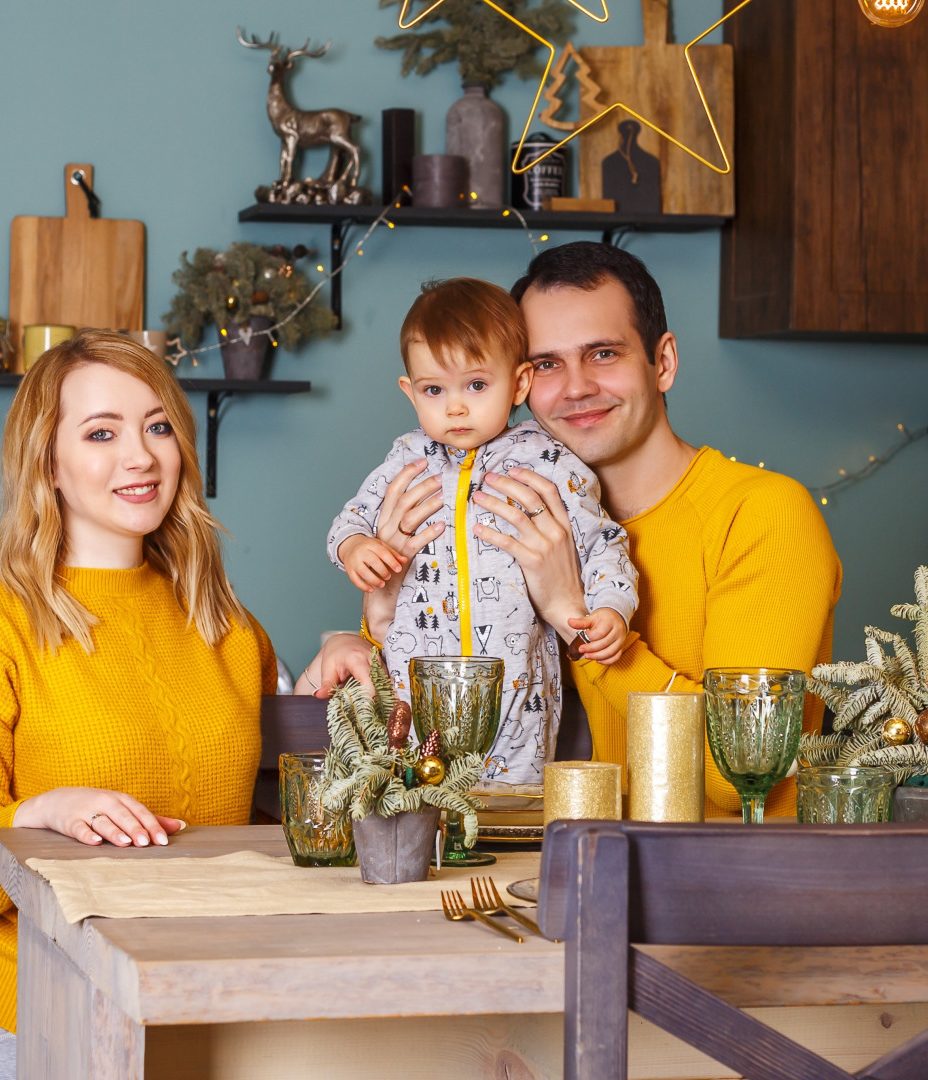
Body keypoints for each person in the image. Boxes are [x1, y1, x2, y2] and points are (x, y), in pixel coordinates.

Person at [308, 243, 840, 816]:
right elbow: (451, 644)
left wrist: (574, 616)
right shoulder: (506, 503)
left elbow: (738, 780)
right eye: (546, 364)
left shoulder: (764, 513)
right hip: (542, 860)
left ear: (662, 362)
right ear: (520, 382)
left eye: (604, 353)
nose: (576, 387)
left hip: (714, 881)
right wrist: (364, 629)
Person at [0, 331, 275, 1078]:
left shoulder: (222, 622)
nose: (140, 456)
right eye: (102, 433)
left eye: (157, 426)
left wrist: (369, 640)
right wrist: (33, 817)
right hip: (14, 1023)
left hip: (188, 1010)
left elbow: (288, 811)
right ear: (48, 462)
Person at [324, 277, 638, 784]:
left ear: (518, 384)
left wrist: (610, 609)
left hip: (518, 688)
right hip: (411, 683)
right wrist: (356, 546)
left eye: (476, 385)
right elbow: (350, 519)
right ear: (409, 392)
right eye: (434, 389)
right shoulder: (406, 459)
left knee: (510, 809)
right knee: (413, 799)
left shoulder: (549, 461)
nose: (455, 407)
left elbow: (602, 540)